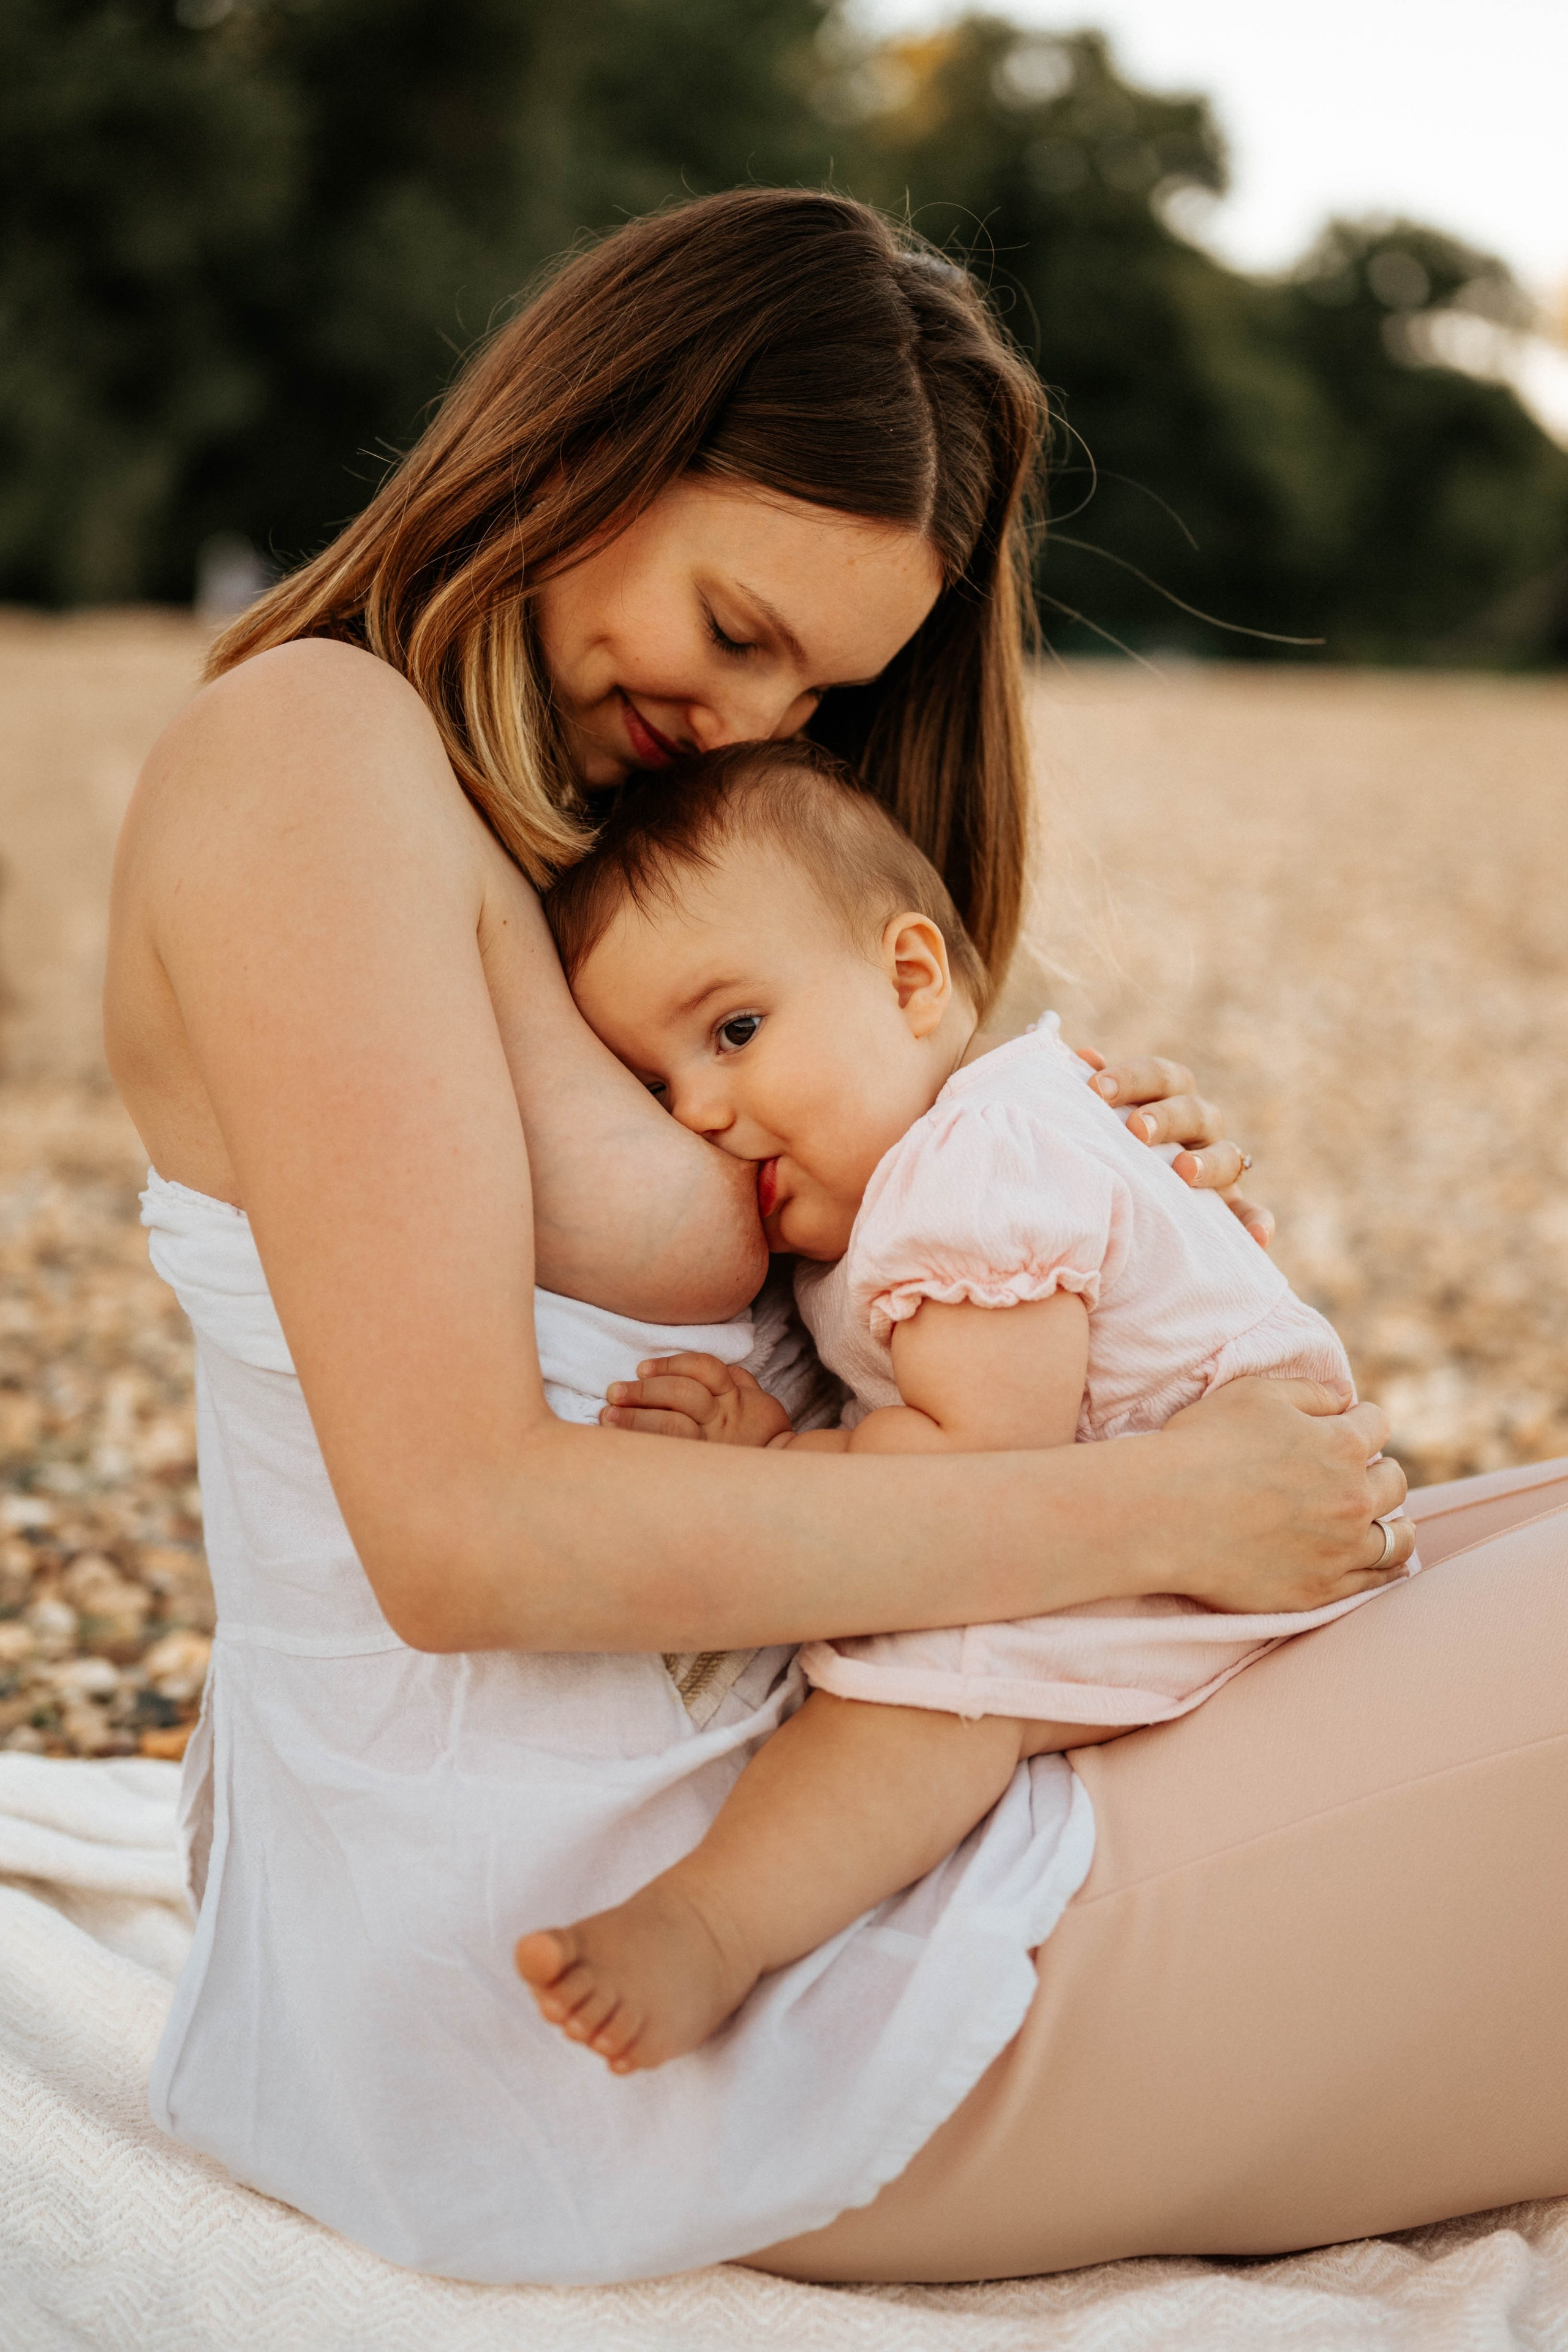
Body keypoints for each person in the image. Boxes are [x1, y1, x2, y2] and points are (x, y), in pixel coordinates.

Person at [100, 186, 1563, 2288]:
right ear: (581, 440)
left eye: (817, 683)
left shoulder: (641, 853)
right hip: (635, 1960)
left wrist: (1079, 1169)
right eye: (737, 625)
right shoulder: (310, 760)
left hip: (877, 1773)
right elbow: (460, 1536)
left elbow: (956, 1215)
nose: (757, 718)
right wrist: (1161, 1506)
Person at [515, 739, 1415, 2075]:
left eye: (736, 1032)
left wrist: (774, 1459)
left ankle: (709, 1928)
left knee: (935, 1690)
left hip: (1224, 1538)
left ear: (908, 977)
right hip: (1191, 1505)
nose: (700, 1109)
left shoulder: (966, 1172)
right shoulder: (977, 1132)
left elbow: (984, 1469)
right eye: (654, 1086)